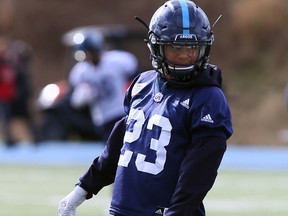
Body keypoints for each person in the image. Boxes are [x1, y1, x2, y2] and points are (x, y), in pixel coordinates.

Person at [58, 0, 233, 215]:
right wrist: (82, 188)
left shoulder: (208, 98)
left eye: (192, 48)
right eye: (175, 48)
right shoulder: (142, 83)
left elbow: (198, 174)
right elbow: (118, 149)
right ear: (156, 46)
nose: (185, 55)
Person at [68, 31, 139, 141]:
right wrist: (83, 96)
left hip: (119, 111)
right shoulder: (81, 71)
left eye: (88, 52)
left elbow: (136, 78)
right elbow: (75, 101)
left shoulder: (116, 61)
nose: (87, 56)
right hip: (101, 117)